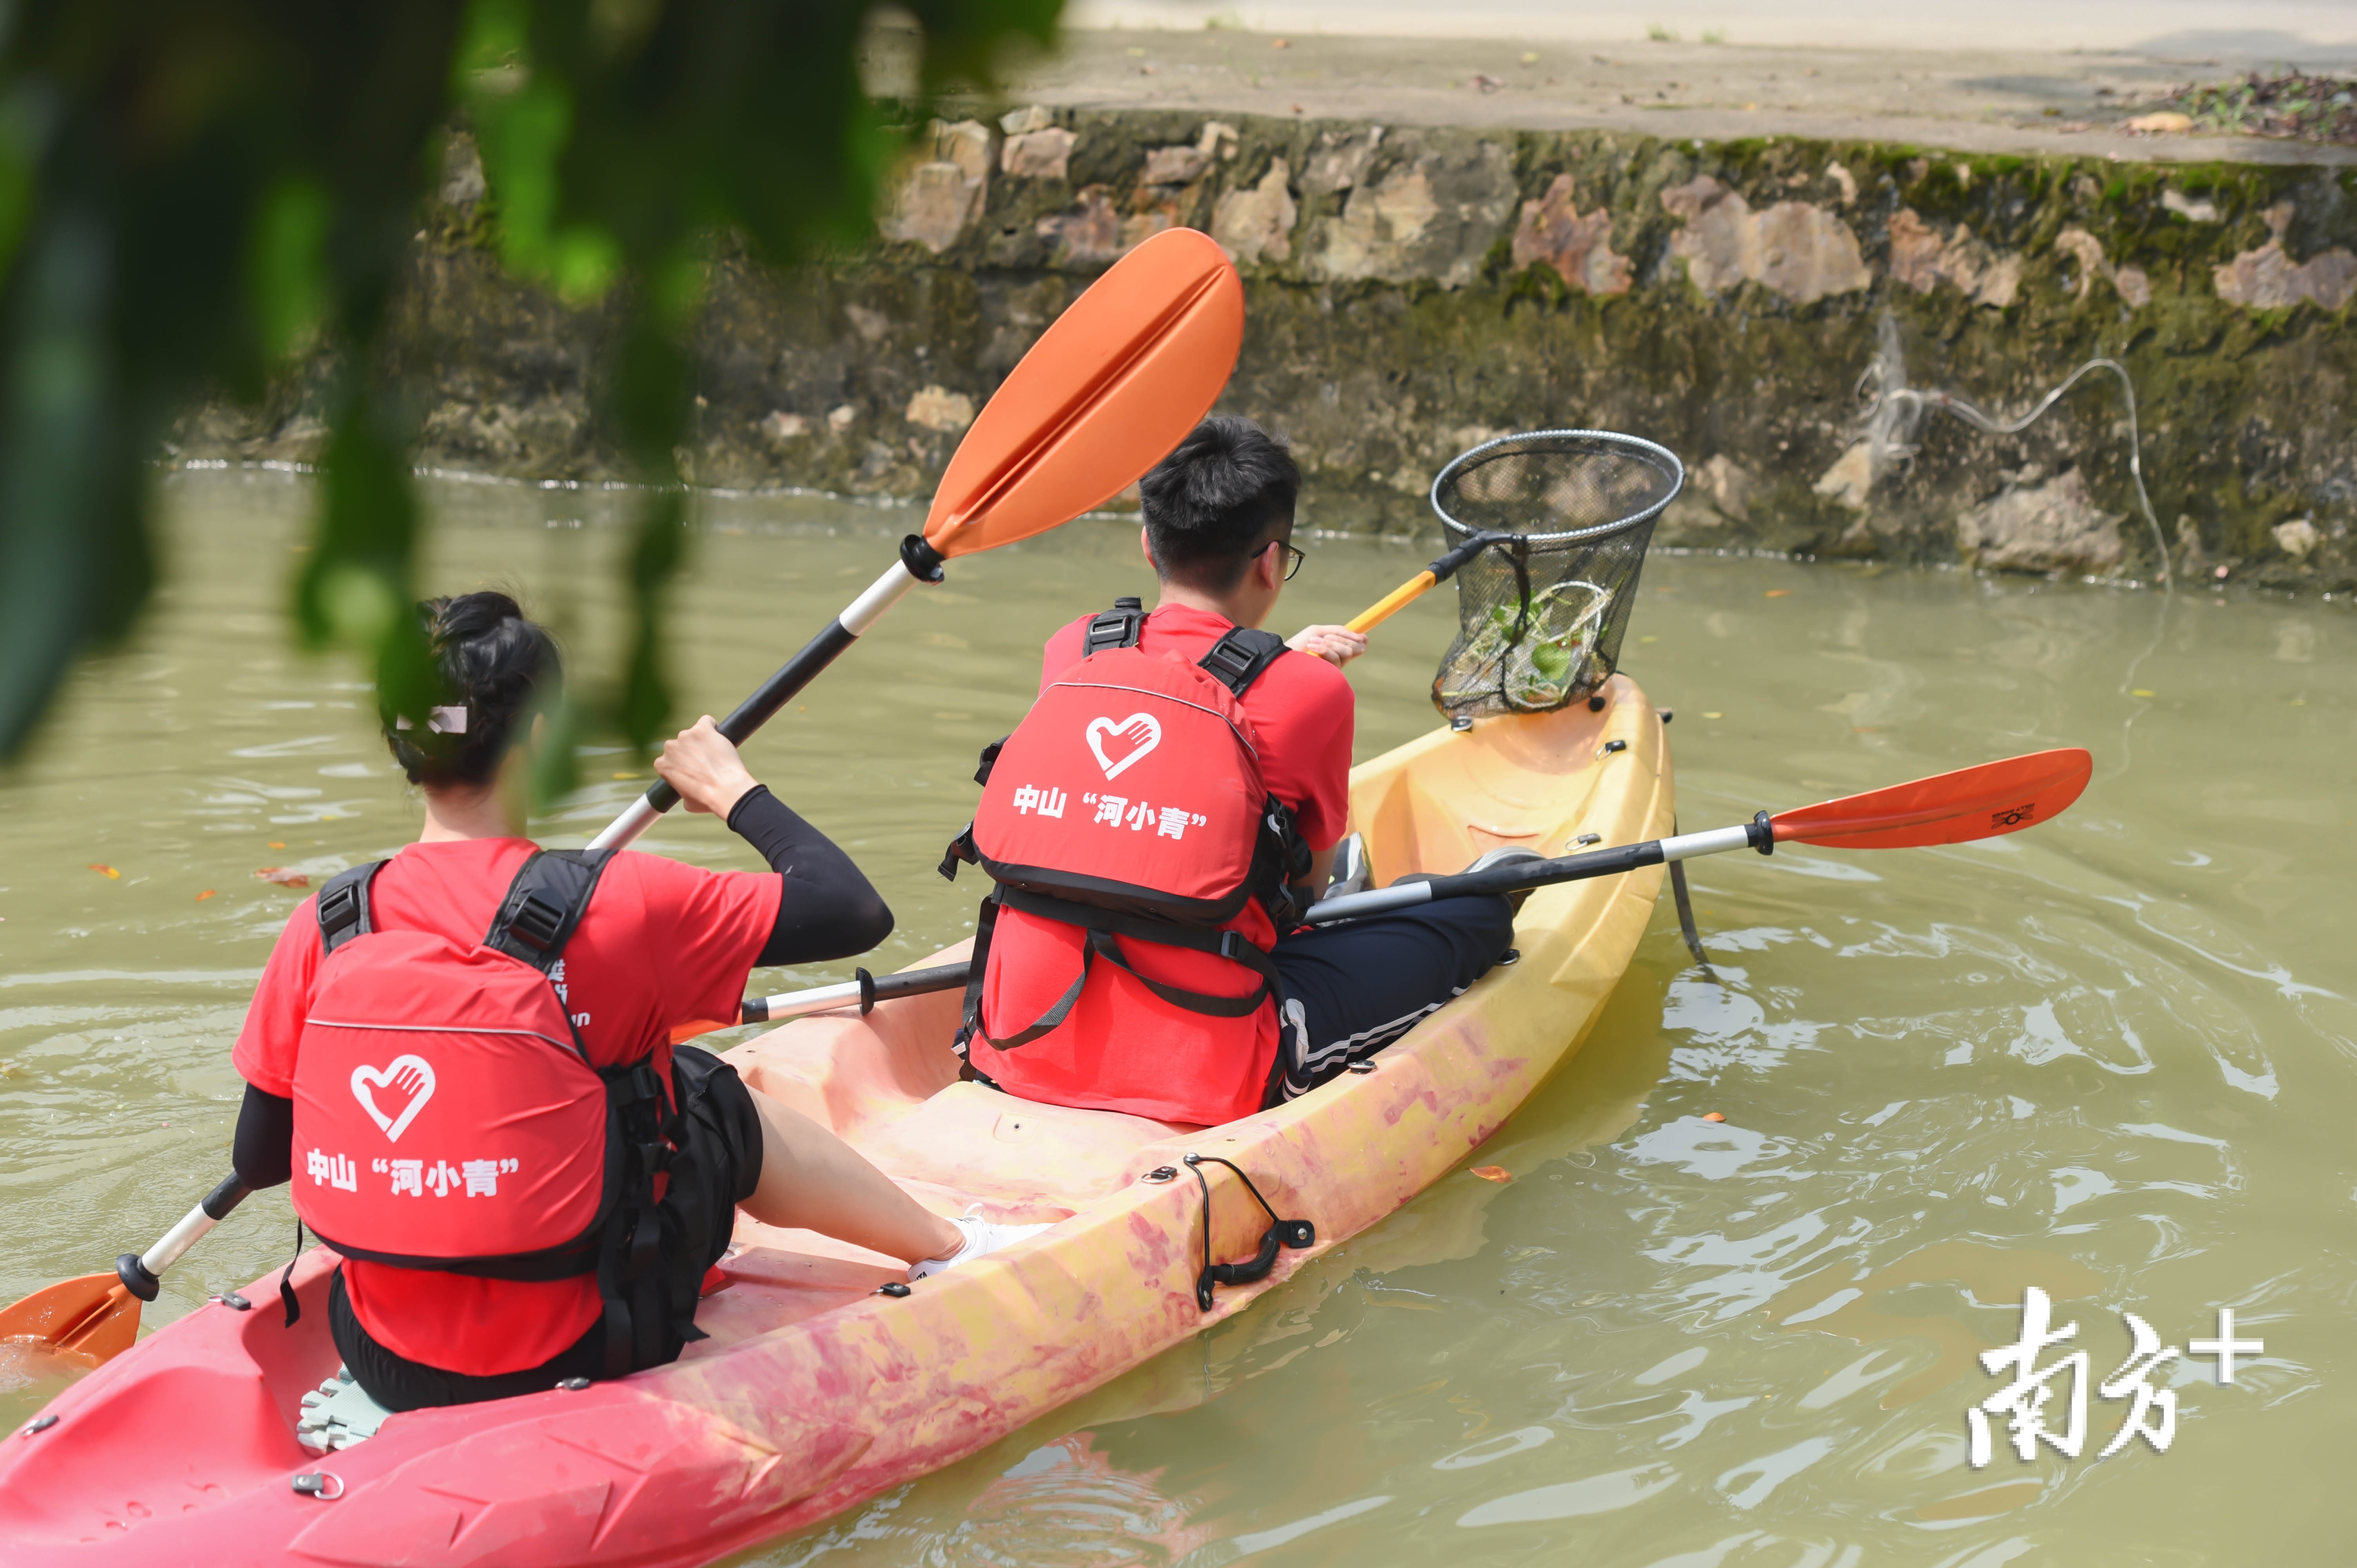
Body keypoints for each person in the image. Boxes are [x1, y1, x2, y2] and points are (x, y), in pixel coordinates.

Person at [229, 592, 1041, 1412]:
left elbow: (261, 1159)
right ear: (540, 736)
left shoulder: (330, 921)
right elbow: (850, 908)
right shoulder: (619, 903)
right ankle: (950, 1244)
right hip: (588, 1338)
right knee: (700, 1088)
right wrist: (731, 789)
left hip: (380, 1354)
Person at [958, 417, 1517, 1125]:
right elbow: (1304, 893)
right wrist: (1287, 670)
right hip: (1211, 1068)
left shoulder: (1074, 648)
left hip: (1015, 1037)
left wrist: (1280, 663)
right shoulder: (1312, 692)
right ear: (1271, 563)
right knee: (1477, 914)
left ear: (1148, 543)